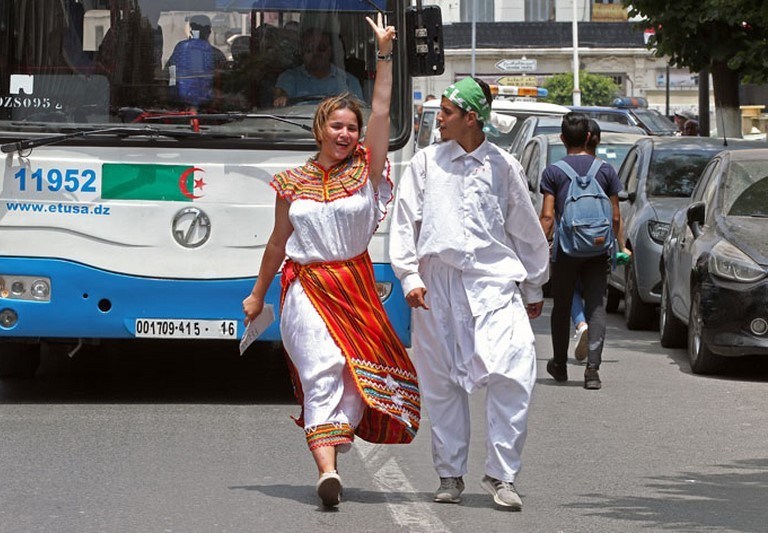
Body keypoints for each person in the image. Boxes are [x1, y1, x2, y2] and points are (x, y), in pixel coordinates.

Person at [242, 15, 419, 508]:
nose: (345, 134)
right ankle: (327, 470)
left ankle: (334, 433)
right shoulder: (291, 183)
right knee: (323, 365)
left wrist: (384, 55)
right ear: (321, 128)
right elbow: (278, 244)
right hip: (306, 287)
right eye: (337, 126)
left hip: (355, 284)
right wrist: (258, 295)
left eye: (352, 127)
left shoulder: (366, 169)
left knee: (354, 373)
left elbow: (382, 111)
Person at [389, 77, 550, 511]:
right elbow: (405, 222)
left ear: (471, 118)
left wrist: (533, 282)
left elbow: (525, 228)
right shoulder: (425, 163)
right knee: (442, 382)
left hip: (492, 283)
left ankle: (502, 475)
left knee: (513, 372)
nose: (437, 118)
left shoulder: (503, 166)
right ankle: (450, 474)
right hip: (436, 285)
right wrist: (408, 276)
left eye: (446, 112)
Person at [539, 113, 622, 390]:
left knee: (561, 306)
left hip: (566, 250)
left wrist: (539, 247)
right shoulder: (606, 170)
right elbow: (615, 216)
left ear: (562, 139)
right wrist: (616, 246)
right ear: (589, 137)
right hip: (598, 250)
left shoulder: (553, 172)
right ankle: (592, 370)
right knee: (597, 305)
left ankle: (560, 365)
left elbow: (548, 217)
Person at [272, 27, 364, 107]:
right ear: (302, 52)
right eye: (309, 49)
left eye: (321, 48)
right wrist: (281, 97)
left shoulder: (349, 81)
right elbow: (280, 96)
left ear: (330, 51)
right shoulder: (289, 78)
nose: (315, 53)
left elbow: (359, 111)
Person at [165, 15, 227, 109]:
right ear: (209, 31)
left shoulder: (180, 49)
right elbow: (225, 82)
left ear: (191, 30)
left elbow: (168, 73)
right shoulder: (217, 54)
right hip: (211, 109)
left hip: (179, 107)